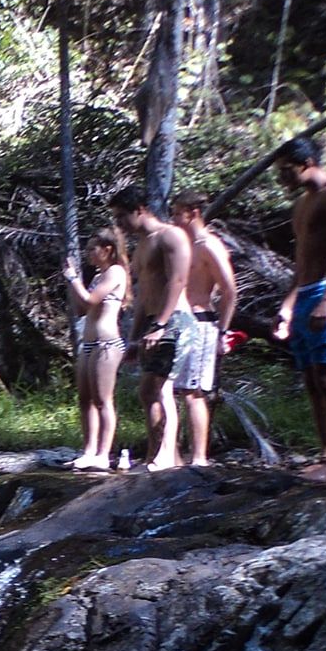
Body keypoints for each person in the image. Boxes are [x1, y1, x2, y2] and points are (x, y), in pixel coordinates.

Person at [273, 135, 326, 484]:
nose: (282, 180)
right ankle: (325, 455)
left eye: (285, 172)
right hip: (306, 292)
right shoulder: (303, 203)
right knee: (311, 379)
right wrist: (288, 304)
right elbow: (301, 261)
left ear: (307, 163)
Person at [108, 185, 195, 471]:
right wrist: (134, 337)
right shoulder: (142, 246)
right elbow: (144, 294)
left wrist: (160, 325)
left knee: (157, 388)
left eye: (122, 217)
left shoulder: (170, 236)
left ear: (140, 210)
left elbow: (178, 281)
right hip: (151, 322)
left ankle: (163, 456)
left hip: (174, 319)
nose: (119, 224)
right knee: (150, 391)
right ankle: (166, 456)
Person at [171, 190, 238, 467]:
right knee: (173, 389)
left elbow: (229, 290)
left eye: (177, 213)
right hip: (179, 322)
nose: (173, 219)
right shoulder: (183, 244)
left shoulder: (209, 245)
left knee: (194, 391)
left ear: (192, 212)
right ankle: (174, 454)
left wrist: (223, 330)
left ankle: (199, 457)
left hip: (202, 324)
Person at [62, 228, 131, 470]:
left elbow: (91, 300)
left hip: (107, 344)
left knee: (103, 399)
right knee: (85, 399)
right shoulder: (98, 277)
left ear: (107, 250)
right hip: (89, 343)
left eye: (93, 248)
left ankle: (104, 453)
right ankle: (89, 450)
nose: (89, 253)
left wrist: (73, 278)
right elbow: (82, 309)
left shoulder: (115, 272)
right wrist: (74, 285)